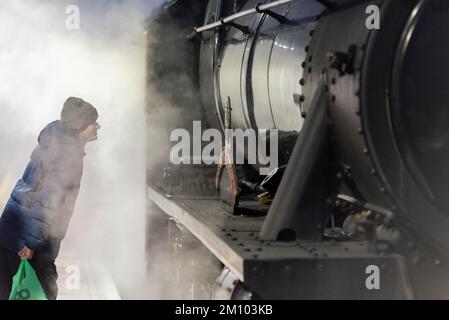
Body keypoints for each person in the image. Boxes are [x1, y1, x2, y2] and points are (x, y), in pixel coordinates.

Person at [0, 97, 100, 300]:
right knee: (43, 293)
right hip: (27, 240)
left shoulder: (54, 140)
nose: (98, 125)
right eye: (93, 121)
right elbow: (49, 201)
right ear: (80, 125)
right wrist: (31, 243)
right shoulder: (67, 154)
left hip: (11, 229)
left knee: (7, 291)